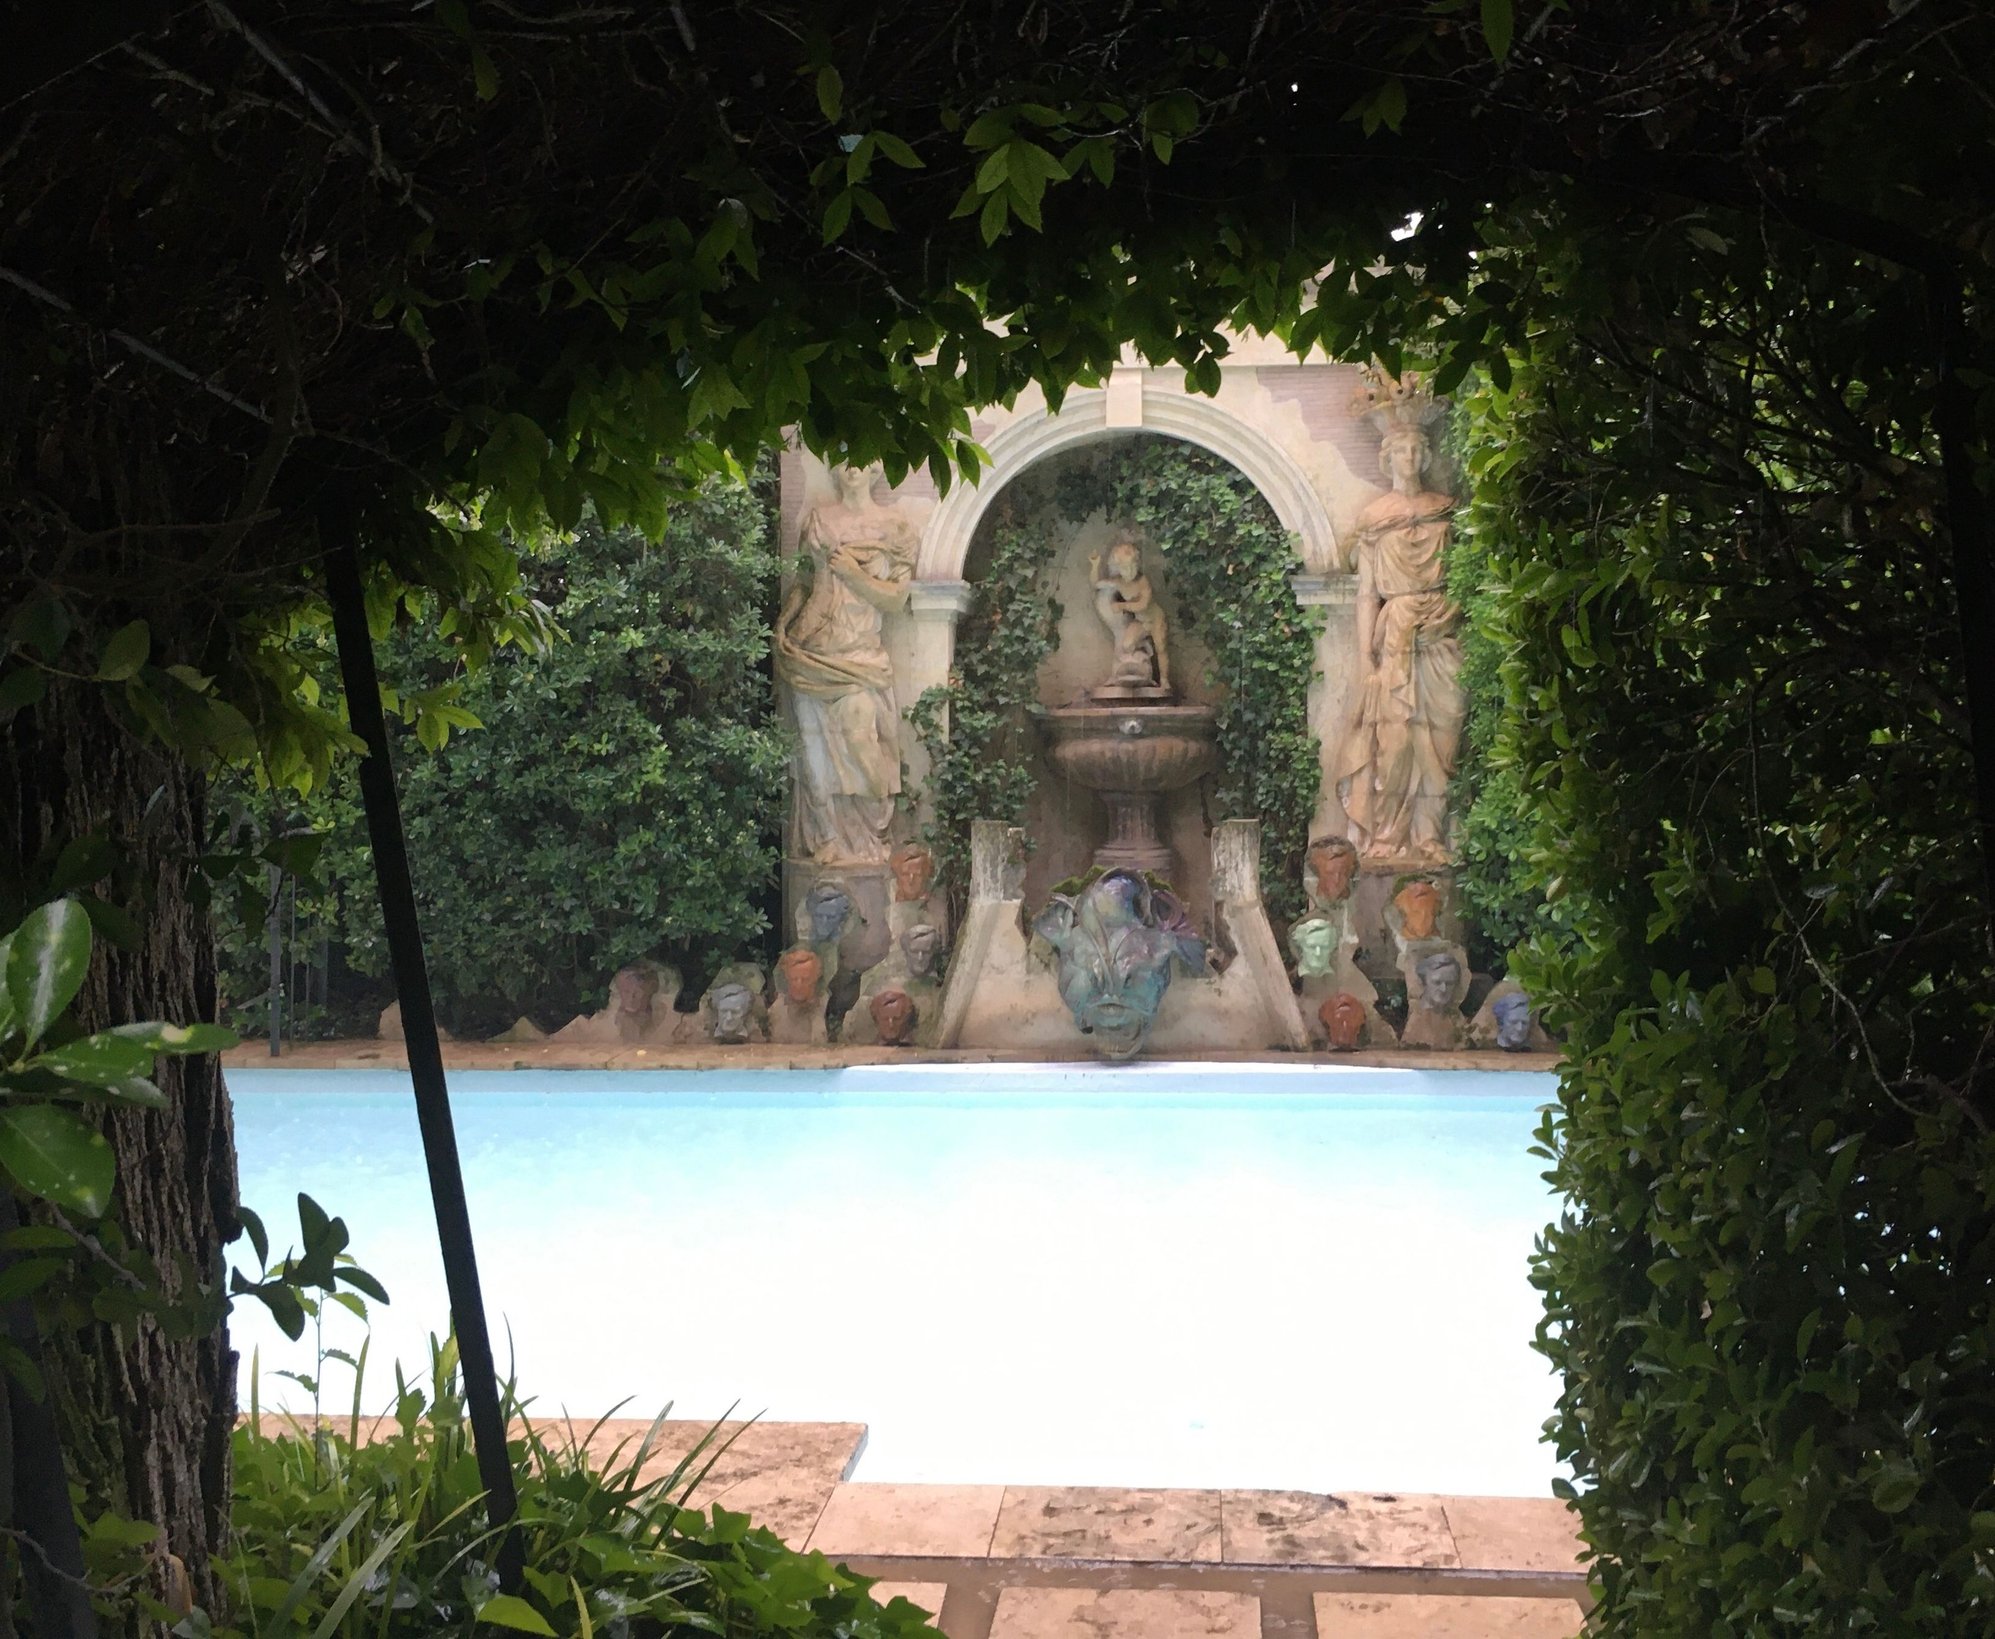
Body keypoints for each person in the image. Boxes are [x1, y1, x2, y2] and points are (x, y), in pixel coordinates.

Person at [1335, 408, 1465, 865]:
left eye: (1415, 450)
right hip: (1395, 637)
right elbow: (1367, 595)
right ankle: (1389, 838)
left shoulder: (1444, 511)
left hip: (1442, 633)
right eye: (1400, 450)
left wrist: (1452, 609)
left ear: (1425, 456)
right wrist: (1365, 659)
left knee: (1444, 742)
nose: (1408, 458)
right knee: (1394, 744)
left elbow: (1466, 579)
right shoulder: (1375, 519)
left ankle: (1429, 836)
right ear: (1387, 458)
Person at [775, 464, 914, 865]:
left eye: (863, 457)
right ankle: (827, 838)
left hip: (860, 658)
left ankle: (874, 831)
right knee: (812, 754)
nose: (853, 465)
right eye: (845, 456)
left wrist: (853, 575)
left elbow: (895, 599)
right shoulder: (819, 521)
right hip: (810, 652)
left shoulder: (895, 529)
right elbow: (804, 584)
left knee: (860, 736)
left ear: (877, 468)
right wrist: (784, 624)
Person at [1088, 534, 1170, 692]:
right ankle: (1140, 655)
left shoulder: (1142, 581)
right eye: (1124, 568)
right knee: (1126, 644)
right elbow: (1096, 584)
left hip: (1155, 619)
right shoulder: (1119, 581)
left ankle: (1165, 681)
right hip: (1141, 623)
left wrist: (1122, 606)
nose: (1128, 571)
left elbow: (1143, 604)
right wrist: (1095, 565)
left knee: (1161, 648)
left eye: (1131, 567)